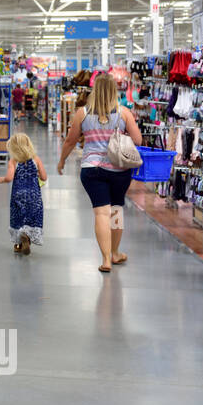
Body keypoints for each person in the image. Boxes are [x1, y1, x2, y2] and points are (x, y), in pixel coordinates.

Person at [56, 72, 142, 273]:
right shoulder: (124, 113)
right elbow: (138, 141)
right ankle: (115, 252)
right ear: (114, 91)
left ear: (94, 91)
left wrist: (61, 161)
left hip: (91, 169)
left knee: (101, 213)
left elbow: (70, 141)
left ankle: (105, 260)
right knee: (116, 210)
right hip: (119, 169)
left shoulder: (82, 113)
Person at [0, 132, 45, 255]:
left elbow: (9, 178)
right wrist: (38, 175)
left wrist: (1, 179)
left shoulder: (14, 161)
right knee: (32, 218)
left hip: (18, 194)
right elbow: (44, 177)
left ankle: (18, 244)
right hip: (34, 195)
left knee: (18, 218)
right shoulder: (36, 159)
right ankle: (27, 237)